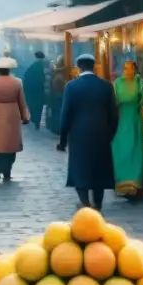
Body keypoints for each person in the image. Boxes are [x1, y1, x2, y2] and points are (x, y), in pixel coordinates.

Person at [57, 54, 118, 211]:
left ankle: (85, 202)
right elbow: (114, 114)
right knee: (100, 169)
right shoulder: (106, 86)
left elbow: (65, 114)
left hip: (78, 135)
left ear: (78, 67)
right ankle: (98, 203)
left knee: (80, 169)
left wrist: (63, 140)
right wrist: (110, 134)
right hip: (101, 134)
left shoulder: (71, 86)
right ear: (94, 66)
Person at [0, 57, 30, 181]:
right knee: (11, 145)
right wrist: (25, 116)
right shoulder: (17, 83)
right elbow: (22, 102)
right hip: (13, 114)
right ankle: (7, 170)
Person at [112, 60, 143, 199]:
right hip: (121, 122)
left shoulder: (141, 83)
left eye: (129, 68)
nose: (126, 71)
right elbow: (113, 103)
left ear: (134, 69)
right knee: (121, 150)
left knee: (136, 150)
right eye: (124, 68)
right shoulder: (117, 84)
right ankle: (121, 183)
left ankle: (136, 183)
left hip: (135, 121)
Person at [21, 51, 48, 130]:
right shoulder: (41, 66)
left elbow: (26, 79)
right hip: (38, 90)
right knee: (38, 106)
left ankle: (35, 120)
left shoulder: (32, 67)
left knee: (34, 106)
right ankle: (36, 121)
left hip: (32, 91)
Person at [47, 56, 67, 134]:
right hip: (58, 97)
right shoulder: (59, 75)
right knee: (57, 113)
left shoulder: (56, 74)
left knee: (56, 113)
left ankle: (56, 128)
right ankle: (57, 129)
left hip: (56, 96)